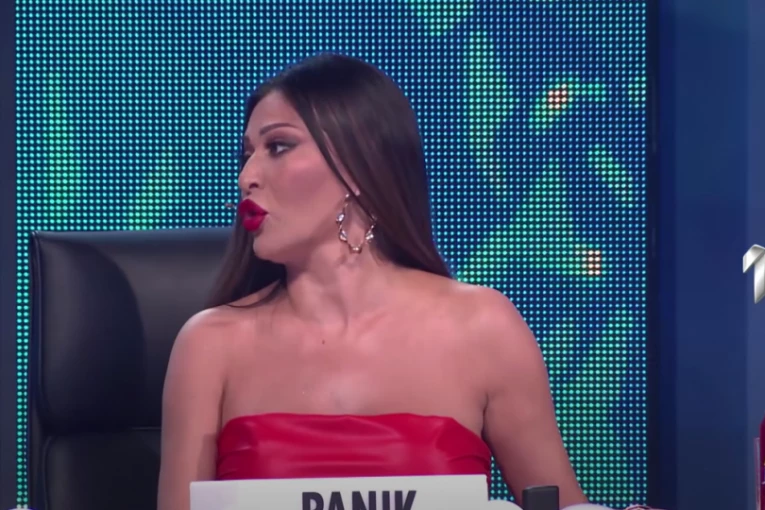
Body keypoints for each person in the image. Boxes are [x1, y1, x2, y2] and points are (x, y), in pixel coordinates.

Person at [156, 53, 588, 510]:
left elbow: (562, 504)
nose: (247, 177)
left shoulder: (483, 327)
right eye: (246, 156)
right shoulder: (210, 345)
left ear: (357, 164)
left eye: (278, 147)